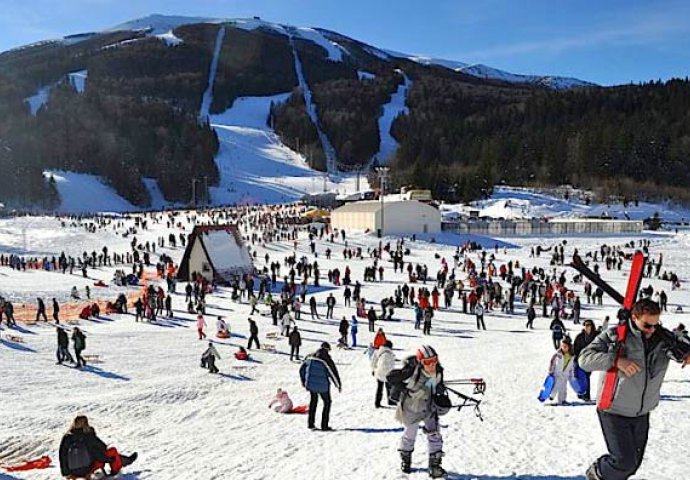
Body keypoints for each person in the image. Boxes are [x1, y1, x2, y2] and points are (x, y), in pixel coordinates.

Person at [579, 299, 690, 480]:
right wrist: (616, 360)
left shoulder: (663, 340)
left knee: (633, 464)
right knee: (623, 462)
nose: (652, 330)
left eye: (656, 325)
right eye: (647, 325)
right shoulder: (616, 336)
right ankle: (597, 473)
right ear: (635, 317)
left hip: (642, 412)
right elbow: (584, 359)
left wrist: (686, 353)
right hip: (613, 409)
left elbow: (680, 350)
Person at [396, 346, 449, 478]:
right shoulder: (412, 372)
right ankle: (406, 460)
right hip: (411, 408)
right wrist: (401, 387)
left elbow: (432, 386)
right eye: (427, 362)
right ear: (420, 362)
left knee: (435, 434)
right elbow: (392, 378)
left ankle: (435, 466)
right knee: (409, 435)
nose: (431, 365)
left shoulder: (437, 372)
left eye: (434, 360)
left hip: (429, 408)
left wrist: (439, 389)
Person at [59, 415, 137, 478]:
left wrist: (66, 473)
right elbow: (98, 453)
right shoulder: (88, 435)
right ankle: (116, 470)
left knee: (108, 454)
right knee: (112, 451)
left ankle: (125, 460)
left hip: (72, 471)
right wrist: (109, 460)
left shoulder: (67, 437)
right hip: (88, 468)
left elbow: (62, 455)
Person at [299, 342, 341, 431]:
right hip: (323, 386)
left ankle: (310, 424)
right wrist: (338, 385)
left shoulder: (310, 356)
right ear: (327, 350)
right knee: (327, 402)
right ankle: (324, 425)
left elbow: (301, 370)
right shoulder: (327, 359)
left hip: (311, 385)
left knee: (313, 402)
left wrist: (304, 381)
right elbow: (333, 373)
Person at [573, 319, 597, 401]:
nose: (586, 327)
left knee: (586, 376)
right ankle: (581, 392)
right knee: (579, 376)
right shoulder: (580, 336)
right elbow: (575, 348)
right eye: (585, 325)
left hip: (591, 359)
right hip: (580, 358)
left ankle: (586, 395)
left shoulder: (596, 336)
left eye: (588, 325)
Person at [548, 337, 575, 405]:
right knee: (556, 385)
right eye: (562, 346)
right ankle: (551, 396)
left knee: (563, 388)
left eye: (565, 346)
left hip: (565, 374)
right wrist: (551, 371)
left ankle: (562, 400)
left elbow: (571, 366)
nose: (564, 348)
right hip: (557, 373)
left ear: (569, 347)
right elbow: (552, 362)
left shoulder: (571, 356)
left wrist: (571, 375)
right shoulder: (558, 354)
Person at [371, 340, 395, 408]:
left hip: (379, 373)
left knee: (379, 388)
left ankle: (377, 403)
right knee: (389, 388)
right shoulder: (391, 353)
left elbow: (373, 362)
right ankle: (390, 401)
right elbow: (392, 364)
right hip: (388, 373)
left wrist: (373, 370)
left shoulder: (378, 352)